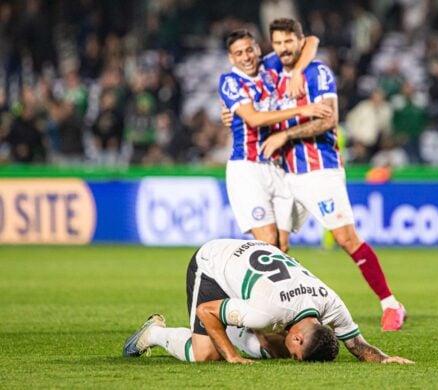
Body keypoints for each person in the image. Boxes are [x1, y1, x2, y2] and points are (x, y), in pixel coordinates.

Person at [258, 18, 406, 331]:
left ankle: (391, 304)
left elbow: (328, 120)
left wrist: (286, 135)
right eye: (278, 43)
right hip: (282, 172)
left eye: (289, 42)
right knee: (276, 246)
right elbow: (309, 41)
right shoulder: (272, 69)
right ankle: (288, 310)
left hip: (319, 169)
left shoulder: (318, 72)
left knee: (345, 238)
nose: (283, 49)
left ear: (298, 41)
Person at [122, 239, 414, 364]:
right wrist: (232, 356)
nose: (293, 357)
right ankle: (153, 334)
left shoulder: (332, 304)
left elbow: (358, 346)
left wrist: (386, 359)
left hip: (254, 267)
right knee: (206, 354)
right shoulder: (267, 312)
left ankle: (238, 331)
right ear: (297, 338)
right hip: (214, 262)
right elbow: (206, 311)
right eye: (296, 354)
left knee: (271, 345)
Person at [219, 29, 332, 252]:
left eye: (249, 50)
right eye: (239, 53)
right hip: (248, 169)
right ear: (232, 58)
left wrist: (298, 71)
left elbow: (311, 41)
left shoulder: (270, 67)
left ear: (258, 49)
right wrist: (302, 110)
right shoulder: (230, 81)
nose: (246, 57)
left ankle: (270, 286)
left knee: (282, 247)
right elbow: (254, 118)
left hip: (278, 166)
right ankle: (239, 281)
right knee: (268, 242)